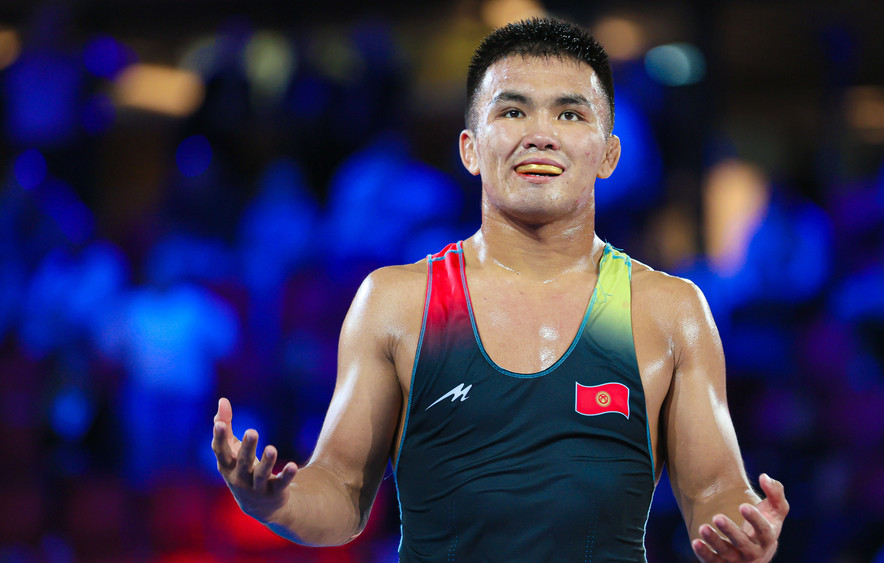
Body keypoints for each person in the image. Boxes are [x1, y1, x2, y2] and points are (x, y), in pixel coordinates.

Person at [212, 17, 789, 562]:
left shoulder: (670, 312)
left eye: (570, 114)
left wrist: (742, 532)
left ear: (609, 154)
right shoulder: (397, 303)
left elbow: (714, 489)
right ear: (470, 148)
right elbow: (340, 488)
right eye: (513, 111)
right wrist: (278, 501)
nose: (540, 135)